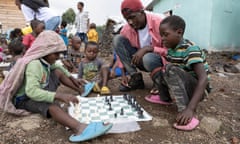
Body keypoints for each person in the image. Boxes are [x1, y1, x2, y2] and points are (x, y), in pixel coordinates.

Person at [0, 31, 112, 142]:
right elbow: (31, 92)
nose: (58, 57)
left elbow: (58, 67)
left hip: (38, 90)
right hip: (25, 99)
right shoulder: (34, 65)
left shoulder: (44, 60)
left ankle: (80, 89)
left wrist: (72, 77)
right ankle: (79, 128)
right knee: (51, 106)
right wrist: (59, 95)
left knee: (57, 71)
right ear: (46, 51)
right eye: (56, 54)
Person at [150, 15, 211, 131]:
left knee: (171, 69)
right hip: (187, 85)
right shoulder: (172, 49)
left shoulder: (190, 49)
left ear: (179, 32)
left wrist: (190, 109)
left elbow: (203, 79)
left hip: (199, 89)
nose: (162, 38)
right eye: (161, 35)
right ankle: (164, 98)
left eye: (165, 34)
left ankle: (186, 112)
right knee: (159, 71)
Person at [113, 0, 167, 93]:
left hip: (158, 61)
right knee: (117, 39)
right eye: (127, 19)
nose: (130, 22)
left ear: (142, 12)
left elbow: (169, 52)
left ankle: (160, 81)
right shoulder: (126, 29)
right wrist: (123, 74)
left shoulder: (159, 23)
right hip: (139, 60)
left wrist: (148, 49)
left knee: (148, 57)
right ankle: (136, 78)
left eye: (132, 17)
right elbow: (120, 54)